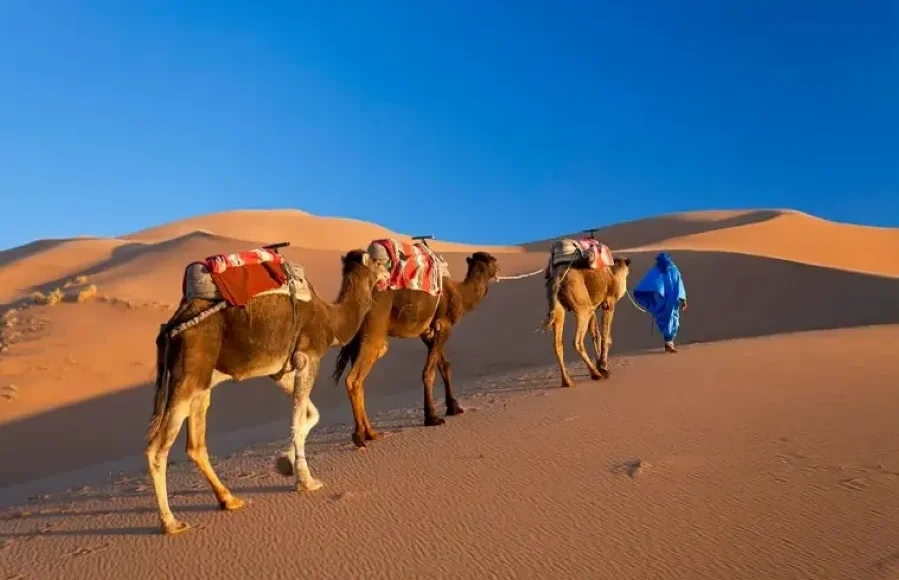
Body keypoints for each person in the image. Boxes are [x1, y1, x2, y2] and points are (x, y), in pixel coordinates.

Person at [632, 252, 687, 353]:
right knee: (671, 320)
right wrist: (683, 300)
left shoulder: (659, 270)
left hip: (665, 302)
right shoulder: (672, 270)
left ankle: (669, 342)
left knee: (668, 321)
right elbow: (679, 285)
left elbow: (651, 283)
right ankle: (669, 342)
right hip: (671, 301)